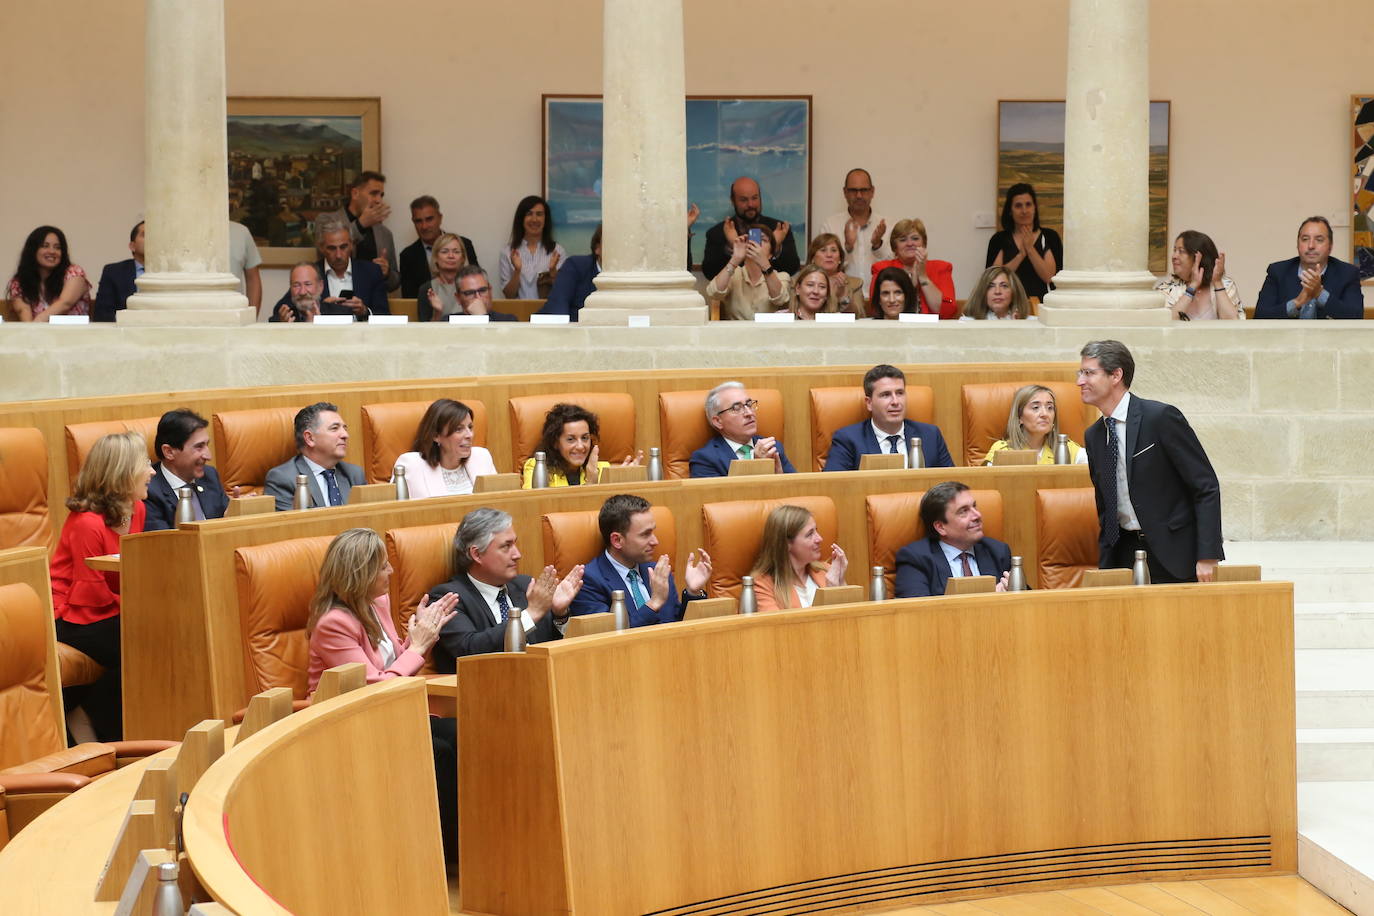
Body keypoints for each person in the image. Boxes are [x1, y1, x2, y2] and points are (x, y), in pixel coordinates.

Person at [304, 528, 460, 863]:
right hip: (344, 724)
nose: (391, 572)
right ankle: (444, 852)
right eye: (382, 567)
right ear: (360, 574)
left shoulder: (377, 603)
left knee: (462, 733)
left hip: (387, 713)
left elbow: (390, 663)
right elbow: (374, 688)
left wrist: (421, 635)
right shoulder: (333, 623)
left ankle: (463, 843)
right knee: (439, 750)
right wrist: (418, 647)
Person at [1078, 339, 1223, 583]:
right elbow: (1105, 505)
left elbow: (1205, 486)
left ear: (1116, 375)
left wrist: (1207, 554)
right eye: (1080, 373)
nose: (1079, 381)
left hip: (1173, 552)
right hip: (1122, 553)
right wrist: (1106, 562)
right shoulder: (1094, 435)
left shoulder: (1160, 418)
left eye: (1089, 373)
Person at [49, 431, 154, 740]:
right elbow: (91, 594)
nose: (151, 472)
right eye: (145, 464)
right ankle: (88, 718)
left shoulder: (138, 509)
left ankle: (88, 710)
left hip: (109, 610)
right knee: (148, 640)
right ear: (122, 472)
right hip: (71, 615)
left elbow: (129, 574)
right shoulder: (87, 523)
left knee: (161, 635)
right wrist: (139, 613)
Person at [426, 508, 583, 668]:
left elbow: (551, 648)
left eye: (515, 543)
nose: (517, 554)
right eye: (506, 546)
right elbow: (469, 650)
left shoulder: (525, 585)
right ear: (477, 554)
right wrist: (531, 614)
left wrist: (559, 615)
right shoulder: (447, 598)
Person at [569, 494, 713, 626]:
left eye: (653, 531)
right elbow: (608, 639)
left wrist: (693, 593)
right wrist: (654, 603)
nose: (655, 541)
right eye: (645, 534)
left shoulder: (657, 572)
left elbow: (677, 625)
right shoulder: (588, 581)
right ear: (617, 540)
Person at [894, 481, 1014, 598]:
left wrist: (1013, 592)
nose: (977, 515)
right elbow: (915, 612)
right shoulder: (915, 559)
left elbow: (1028, 603)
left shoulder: (998, 551)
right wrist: (992, 599)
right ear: (941, 527)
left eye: (974, 506)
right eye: (963, 511)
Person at [824, 364, 954, 470]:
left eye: (900, 393)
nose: (895, 401)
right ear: (869, 403)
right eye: (886, 395)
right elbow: (834, 486)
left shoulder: (930, 435)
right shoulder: (848, 439)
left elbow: (952, 486)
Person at [272, 215, 388, 320]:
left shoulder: (371, 272)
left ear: (352, 245)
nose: (338, 255)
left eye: (343, 247)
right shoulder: (311, 273)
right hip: (322, 338)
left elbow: (385, 316)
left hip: (362, 338)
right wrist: (321, 307)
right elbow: (280, 311)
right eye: (332, 248)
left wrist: (365, 311)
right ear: (321, 248)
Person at [1254, 216, 1364, 319]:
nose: (1311, 246)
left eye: (1319, 240)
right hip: (1286, 339)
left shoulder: (1348, 273)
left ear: (1330, 246)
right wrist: (1296, 303)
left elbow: (1356, 316)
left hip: (1331, 339)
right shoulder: (1278, 272)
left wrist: (1320, 294)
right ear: (1297, 244)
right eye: (1305, 239)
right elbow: (1260, 316)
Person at [264, 402, 367, 510]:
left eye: (345, 428)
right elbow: (293, 525)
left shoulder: (354, 474)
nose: (345, 435)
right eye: (334, 428)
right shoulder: (283, 479)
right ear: (310, 438)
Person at [143, 409, 232, 530]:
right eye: (199, 447)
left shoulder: (210, 476)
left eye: (207, 445)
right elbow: (162, 543)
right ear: (169, 452)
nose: (208, 456)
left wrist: (237, 512)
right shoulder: (148, 489)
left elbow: (227, 522)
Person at [391, 398, 498, 497]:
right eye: (459, 429)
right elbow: (396, 512)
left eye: (470, 427)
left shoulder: (482, 457)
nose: (469, 435)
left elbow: (497, 505)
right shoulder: (411, 465)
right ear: (436, 436)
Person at [749, 504, 847, 611]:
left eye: (816, 531)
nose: (819, 539)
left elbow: (853, 618)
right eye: (810, 534)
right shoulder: (762, 585)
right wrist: (829, 595)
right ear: (786, 543)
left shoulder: (826, 571)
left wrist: (841, 582)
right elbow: (778, 626)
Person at [700, 177, 801, 280]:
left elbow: (792, 268)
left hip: (770, 294)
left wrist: (774, 247)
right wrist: (732, 250)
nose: (751, 204)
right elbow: (710, 273)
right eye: (744, 200)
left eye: (755, 198)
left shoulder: (779, 229)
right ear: (733, 201)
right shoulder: (717, 233)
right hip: (733, 295)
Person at [689, 382, 797, 477]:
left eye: (749, 405)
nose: (749, 413)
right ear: (718, 421)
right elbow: (720, 498)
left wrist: (780, 478)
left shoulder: (772, 447)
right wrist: (757, 465)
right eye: (736, 408)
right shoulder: (705, 459)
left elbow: (796, 491)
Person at [520, 402, 639, 487]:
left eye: (585, 438)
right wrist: (590, 483)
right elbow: (537, 507)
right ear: (555, 442)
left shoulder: (602, 469)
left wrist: (626, 476)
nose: (581, 446)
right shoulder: (538, 467)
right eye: (571, 439)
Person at [984, 183, 1062, 301]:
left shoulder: (1050, 237)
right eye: (1018, 206)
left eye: (1028, 205)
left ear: (1035, 208)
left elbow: (1050, 277)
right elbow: (993, 279)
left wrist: (1030, 249)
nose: (1024, 210)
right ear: (1010, 210)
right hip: (1008, 306)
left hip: (1043, 305)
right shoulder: (998, 240)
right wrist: (1020, 255)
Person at [868, 219, 957, 318]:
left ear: (923, 243)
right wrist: (910, 285)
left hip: (932, 329)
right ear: (895, 246)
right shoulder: (881, 269)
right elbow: (875, 309)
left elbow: (948, 310)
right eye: (903, 240)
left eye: (915, 238)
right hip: (895, 328)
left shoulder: (941, 267)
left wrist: (923, 277)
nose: (910, 243)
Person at [815, 168, 889, 287]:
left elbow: (895, 267)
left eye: (864, 190)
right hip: (842, 301)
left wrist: (877, 245)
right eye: (853, 190)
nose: (859, 195)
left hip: (880, 301)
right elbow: (821, 269)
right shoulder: (829, 225)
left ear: (872, 191)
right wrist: (847, 247)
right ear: (845, 192)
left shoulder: (887, 225)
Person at [328, 170, 400, 292]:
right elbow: (324, 256)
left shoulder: (385, 234)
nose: (379, 200)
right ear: (355, 193)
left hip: (374, 306)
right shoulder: (327, 221)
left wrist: (387, 273)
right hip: (337, 302)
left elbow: (395, 283)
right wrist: (360, 224)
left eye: (381, 195)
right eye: (374, 193)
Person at [983, 384, 1088, 466]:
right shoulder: (1002, 451)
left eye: (1050, 408)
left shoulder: (1066, 448)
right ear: (1020, 417)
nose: (1045, 414)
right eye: (1035, 408)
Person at [704, 223, 790, 320]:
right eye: (752, 239)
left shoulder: (781, 276)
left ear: (771, 254)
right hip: (736, 333)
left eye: (763, 240)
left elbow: (780, 300)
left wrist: (765, 265)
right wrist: (735, 259)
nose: (757, 244)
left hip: (767, 332)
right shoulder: (733, 274)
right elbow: (713, 293)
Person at [7, 225, 92, 321]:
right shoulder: (19, 282)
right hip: (37, 334)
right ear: (33, 250)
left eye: (57, 247)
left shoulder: (74, 273)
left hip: (75, 334)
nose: (52, 251)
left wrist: (34, 328)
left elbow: (65, 304)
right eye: (45, 246)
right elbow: (24, 311)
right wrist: (31, 331)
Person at [401, 195, 478, 299]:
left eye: (429, 219)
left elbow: (477, 283)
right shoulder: (408, 256)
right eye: (418, 221)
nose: (424, 226)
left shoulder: (464, 244)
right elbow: (409, 299)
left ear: (440, 218)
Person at [1155, 231, 1243, 321]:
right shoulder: (1166, 288)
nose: (1174, 256)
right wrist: (1192, 287)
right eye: (1174, 250)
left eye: (1181, 251)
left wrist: (1217, 283)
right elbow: (1166, 323)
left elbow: (1233, 323)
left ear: (1200, 257)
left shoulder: (1226, 284)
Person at [499, 195, 565, 299]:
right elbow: (509, 295)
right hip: (518, 313)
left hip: (547, 313)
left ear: (545, 219)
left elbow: (563, 292)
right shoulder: (507, 252)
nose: (534, 219)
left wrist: (552, 272)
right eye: (529, 214)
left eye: (539, 214)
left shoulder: (557, 251)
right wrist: (517, 271)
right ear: (521, 219)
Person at [539, 223, 601, 320]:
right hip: (560, 330)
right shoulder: (576, 266)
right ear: (598, 248)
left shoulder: (627, 277)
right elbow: (558, 307)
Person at [270, 262, 363, 323]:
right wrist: (283, 330)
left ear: (321, 286)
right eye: (296, 285)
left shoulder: (341, 315)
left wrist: (319, 326)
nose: (302, 292)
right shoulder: (279, 321)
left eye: (308, 284)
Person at [93, 221, 144, 322]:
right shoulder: (113, 272)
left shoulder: (170, 274)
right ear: (132, 246)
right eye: (145, 235)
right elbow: (102, 313)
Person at [806, 233, 864, 315]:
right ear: (812, 258)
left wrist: (842, 296)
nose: (829, 255)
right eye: (823, 250)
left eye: (833, 250)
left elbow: (859, 316)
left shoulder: (855, 284)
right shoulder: (798, 283)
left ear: (840, 258)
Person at [415, 232, 469, 322]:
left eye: (456, 252)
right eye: (445, 252)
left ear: (463, 258)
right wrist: (438, 312)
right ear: (436, 257)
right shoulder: (427, 289)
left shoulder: (472, 286)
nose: (451, 256)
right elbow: (424, 331)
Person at [960, 266, 1032, 320]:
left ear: (1014, 292)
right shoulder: (967, 322)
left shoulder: (1032, 323)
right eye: (991, 286)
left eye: (1004, 286)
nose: (997, 292)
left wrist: (1018, 328)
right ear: (982, 293)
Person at [452, 265, 518, 322]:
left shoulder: (508, 321)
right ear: (458, 298)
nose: (478, 298)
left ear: (490, 291)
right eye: (470, 293)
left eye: (482, 290)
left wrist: (482, 317)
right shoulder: (448, 322)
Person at [228, 220, 263, 319]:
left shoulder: (241, 232)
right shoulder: (187, 232)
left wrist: (251, 318)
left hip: (235, 317)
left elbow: (253, 280)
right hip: (196, 316)